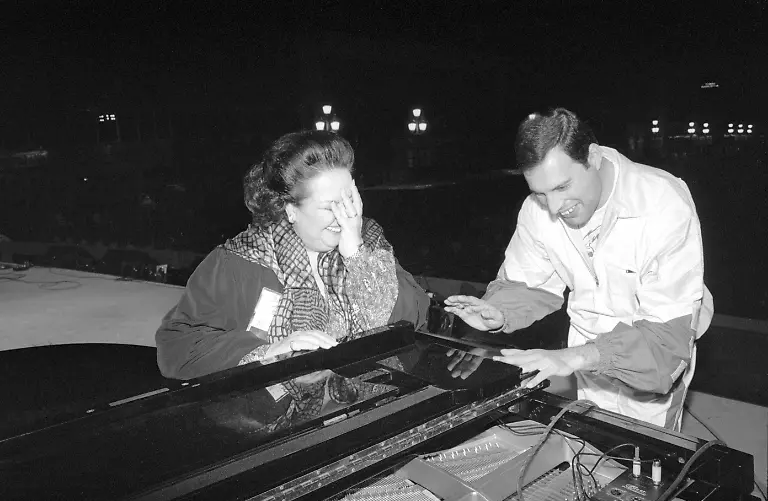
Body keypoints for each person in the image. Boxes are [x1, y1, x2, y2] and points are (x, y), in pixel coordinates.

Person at [444, 108, 713, 430]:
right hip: (585, 350)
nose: (555, 208)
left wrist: (570, 358)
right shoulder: (537, 210)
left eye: (562, 187)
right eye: (541, 193)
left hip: (650, 355)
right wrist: (498, 312)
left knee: (648, 457)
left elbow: (666, 340)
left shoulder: (662, 202)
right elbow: (529, 282)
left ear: (594, 157)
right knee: (593, 441)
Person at [157, 130, 430, 380]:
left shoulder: (368, 241)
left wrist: (358, 256)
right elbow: (177, 347)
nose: (344, 215)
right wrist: (269, 352)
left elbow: (415, 319)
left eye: (349, 200)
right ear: (290, 209)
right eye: (328, 206)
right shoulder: (239, 263)